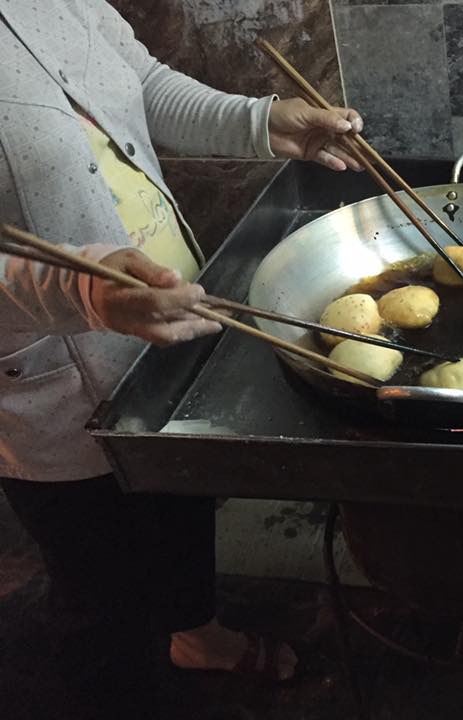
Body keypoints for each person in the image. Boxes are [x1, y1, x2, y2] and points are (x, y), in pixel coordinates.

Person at [0, 0, 363, 704]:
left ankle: (198, 633)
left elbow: (138, 79)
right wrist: (84, 294)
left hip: (165, 316)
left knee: (179, 506)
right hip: (51, 369)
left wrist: (260, 121)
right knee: (100, 584)